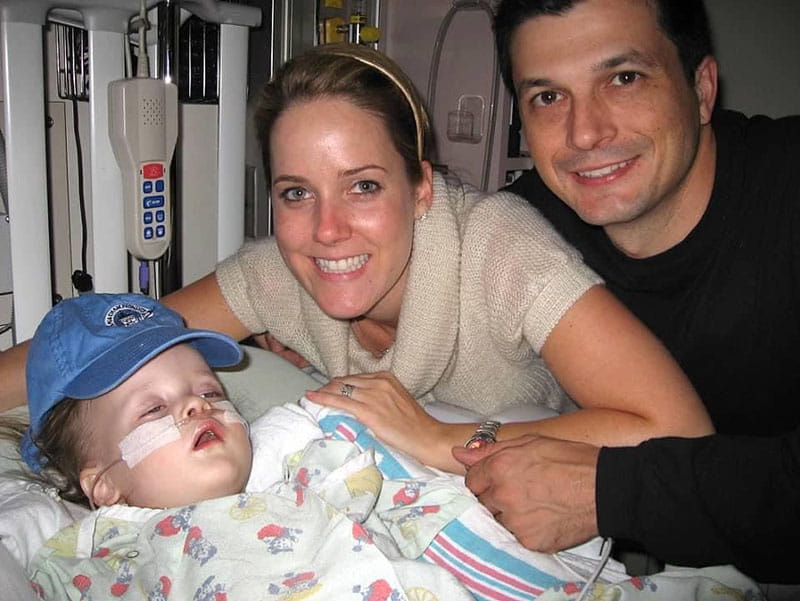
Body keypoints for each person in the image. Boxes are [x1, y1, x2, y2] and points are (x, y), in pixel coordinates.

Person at [0, 43, 712, 474]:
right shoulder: (278, 272)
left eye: (364, 186)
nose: (328, 230)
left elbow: (678, 427)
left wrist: (438, 437)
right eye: (296, 193)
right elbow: (105, 345)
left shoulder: (502, 251)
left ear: (421, 185)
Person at [13, 293, 763, 601]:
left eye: (208, 392)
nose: (195, 407)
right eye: (154, 408)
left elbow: (408, 498)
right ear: (101, 481)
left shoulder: (299, 465)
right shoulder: (87, 550)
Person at [453, 0, 800, 584]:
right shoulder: (525, 225)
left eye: (624, 78)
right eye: (547, 96)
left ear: (702, 89)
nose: (585, 132)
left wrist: (610, 492)